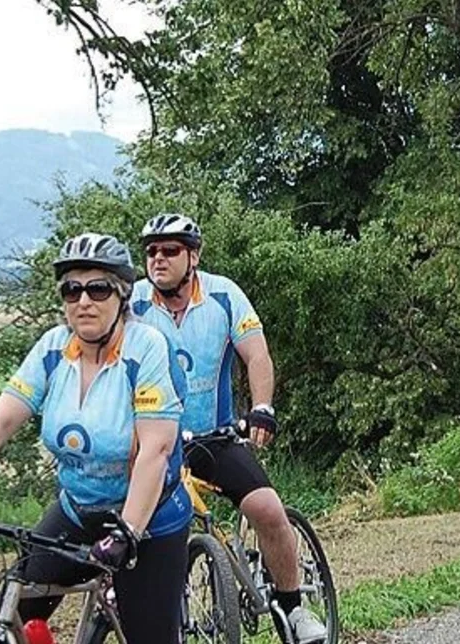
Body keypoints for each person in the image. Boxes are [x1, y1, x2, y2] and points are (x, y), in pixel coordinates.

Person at [0, 233, 191, 644]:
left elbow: (156, 449)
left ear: (122, 295)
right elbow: (2, 420)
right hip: (78, 510)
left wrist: (128, 530)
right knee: (11, 610)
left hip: (148, 522)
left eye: (98, 289)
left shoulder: (147, 347)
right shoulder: (53, 348)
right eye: (71, 289)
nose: (83, 301)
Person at [130, 213, 328, 643]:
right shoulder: (133, 304)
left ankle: (294, 608)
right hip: (152, 444)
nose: (158, 259)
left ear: (193, 256)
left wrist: (261, 407)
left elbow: (256, 356)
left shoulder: (223, 295)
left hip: (214, 438)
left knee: (267, 510)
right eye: (151, 252)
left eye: (170, 250)